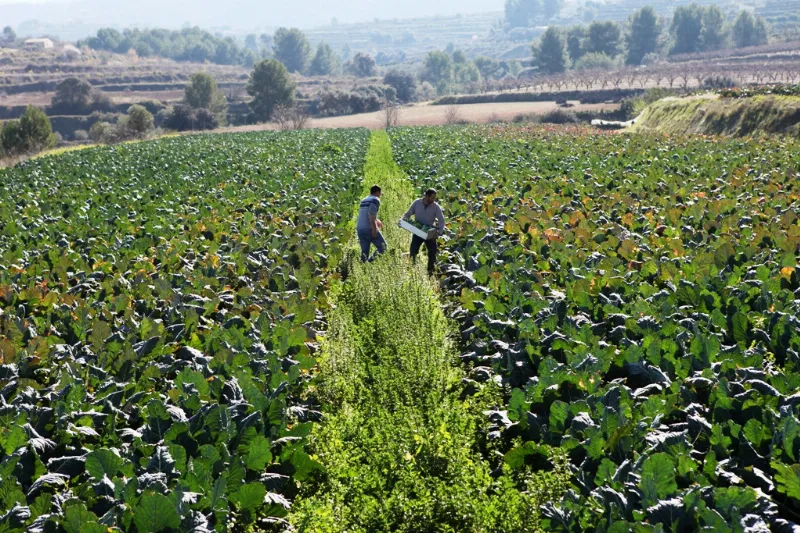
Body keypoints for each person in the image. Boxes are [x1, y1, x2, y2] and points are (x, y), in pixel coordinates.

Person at [401, 188, 445, 275]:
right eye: (432, 197)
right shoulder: (417, 203)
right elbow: (408, 213)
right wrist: (403, 221)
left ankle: (430, 271)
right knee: (413, 249)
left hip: (429, 232)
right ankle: (411, 268)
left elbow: (441, 220)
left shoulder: (436, 207)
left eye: (434, 198)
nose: (433, 200)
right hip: (418, 230)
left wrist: (439, 232)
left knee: (432, 252)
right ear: (426, 196)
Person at [356, 185, 386, 262]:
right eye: (380, 193)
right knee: (383, 247)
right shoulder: (375, 200)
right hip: (368, 228)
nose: (380, 196)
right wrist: (374, 229)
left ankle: (363, 268)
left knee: (364, 252)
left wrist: (377, 220)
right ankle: (370, 262)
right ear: (377, 192)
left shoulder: (364, 200)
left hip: (360, 229)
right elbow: (370, 214)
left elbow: (365, 214)